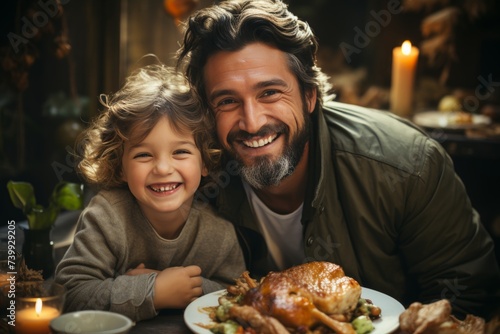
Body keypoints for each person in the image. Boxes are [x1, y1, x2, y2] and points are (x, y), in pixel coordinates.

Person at [176, 0, 500, 319]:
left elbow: (469, 293)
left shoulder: (407, 166)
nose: (252, 122)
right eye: (228, 101)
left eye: (270, 93)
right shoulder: (193, 171)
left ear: (309, 94)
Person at [55, 64, 245, 322]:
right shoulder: (106, 216)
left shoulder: (219, 234)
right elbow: (70, 294)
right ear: (119, 166)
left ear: (204, 163)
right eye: (143, 155)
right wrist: (153, 291)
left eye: (180, 152)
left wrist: (183, 286)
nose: (163, 168)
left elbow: (239, 296)